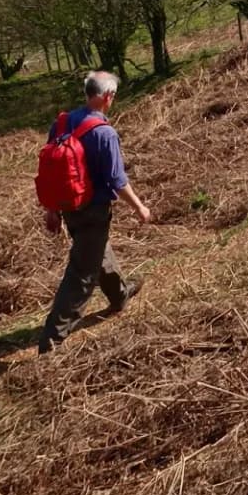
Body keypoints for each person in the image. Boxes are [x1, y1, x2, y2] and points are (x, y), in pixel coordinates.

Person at [38, 71, 151, 355]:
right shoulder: (104, 133)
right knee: (82, 275)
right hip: (92, 210)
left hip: (68, 208)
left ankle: (119, 294)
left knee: (97, 250)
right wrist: (139, 207)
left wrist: (52, 210)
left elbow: (51, 172)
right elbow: (117, 181)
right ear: (107, 97)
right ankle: (52, 340)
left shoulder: (62, 123)